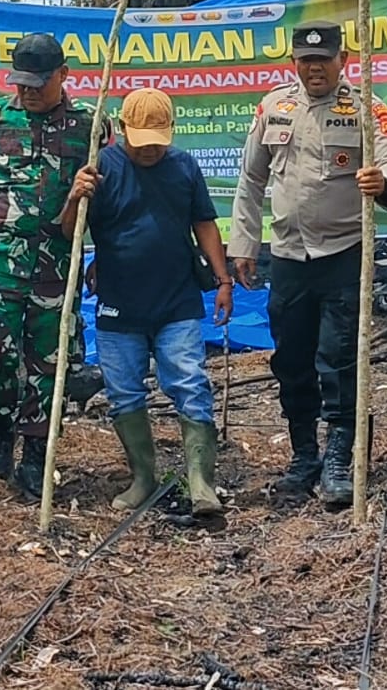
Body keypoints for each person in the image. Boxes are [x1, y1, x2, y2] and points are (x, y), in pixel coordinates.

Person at [229, 20, 387, 505]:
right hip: (287, 256)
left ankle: (339, 458)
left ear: (341, 60)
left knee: (340, 358)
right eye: (305, 61)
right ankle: (304, 453)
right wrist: (243, 244)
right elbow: (250, 181)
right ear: (294, 64)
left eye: (323, 60)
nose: (314, 69)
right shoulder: (274, 107)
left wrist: (381, 182)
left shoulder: (368, 108)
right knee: (291, 358)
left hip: (343, 254)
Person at [0, 33, 101, 500]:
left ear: (63, 76)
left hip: (56, 263)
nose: (27, 92)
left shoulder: (90, 125)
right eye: (21, 83)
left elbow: (105, 202)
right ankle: (0, 427)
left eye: (38, 84)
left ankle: (33, 454)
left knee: (49, 364)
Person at [85, 88, 234, 515]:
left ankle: (201, 481)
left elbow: (204, 223)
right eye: (141, 140)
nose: (150, 149)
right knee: (124, 393)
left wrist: (223, 279)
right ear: (122, 131)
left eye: (157, 140)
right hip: (118, 302)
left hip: (177, 299)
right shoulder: (101, 169)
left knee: (190, 383)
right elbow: (72, 229)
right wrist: (78, 198)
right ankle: (143, 477)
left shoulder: (183, 165)